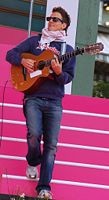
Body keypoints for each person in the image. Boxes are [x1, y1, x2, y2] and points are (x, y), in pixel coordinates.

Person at [6, 6, 76, 199]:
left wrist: (59, 72)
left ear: (64, 25)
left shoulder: (67, 51)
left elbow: (68, 78)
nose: (50, 21)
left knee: (52, 146)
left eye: (55, 19)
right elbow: (9, 54)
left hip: (54, 101)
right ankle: (32, 160)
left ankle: (44, 187)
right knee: (34, 134)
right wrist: (22, 60)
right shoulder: (34, 42)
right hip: (33, 97)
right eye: (49, 18)